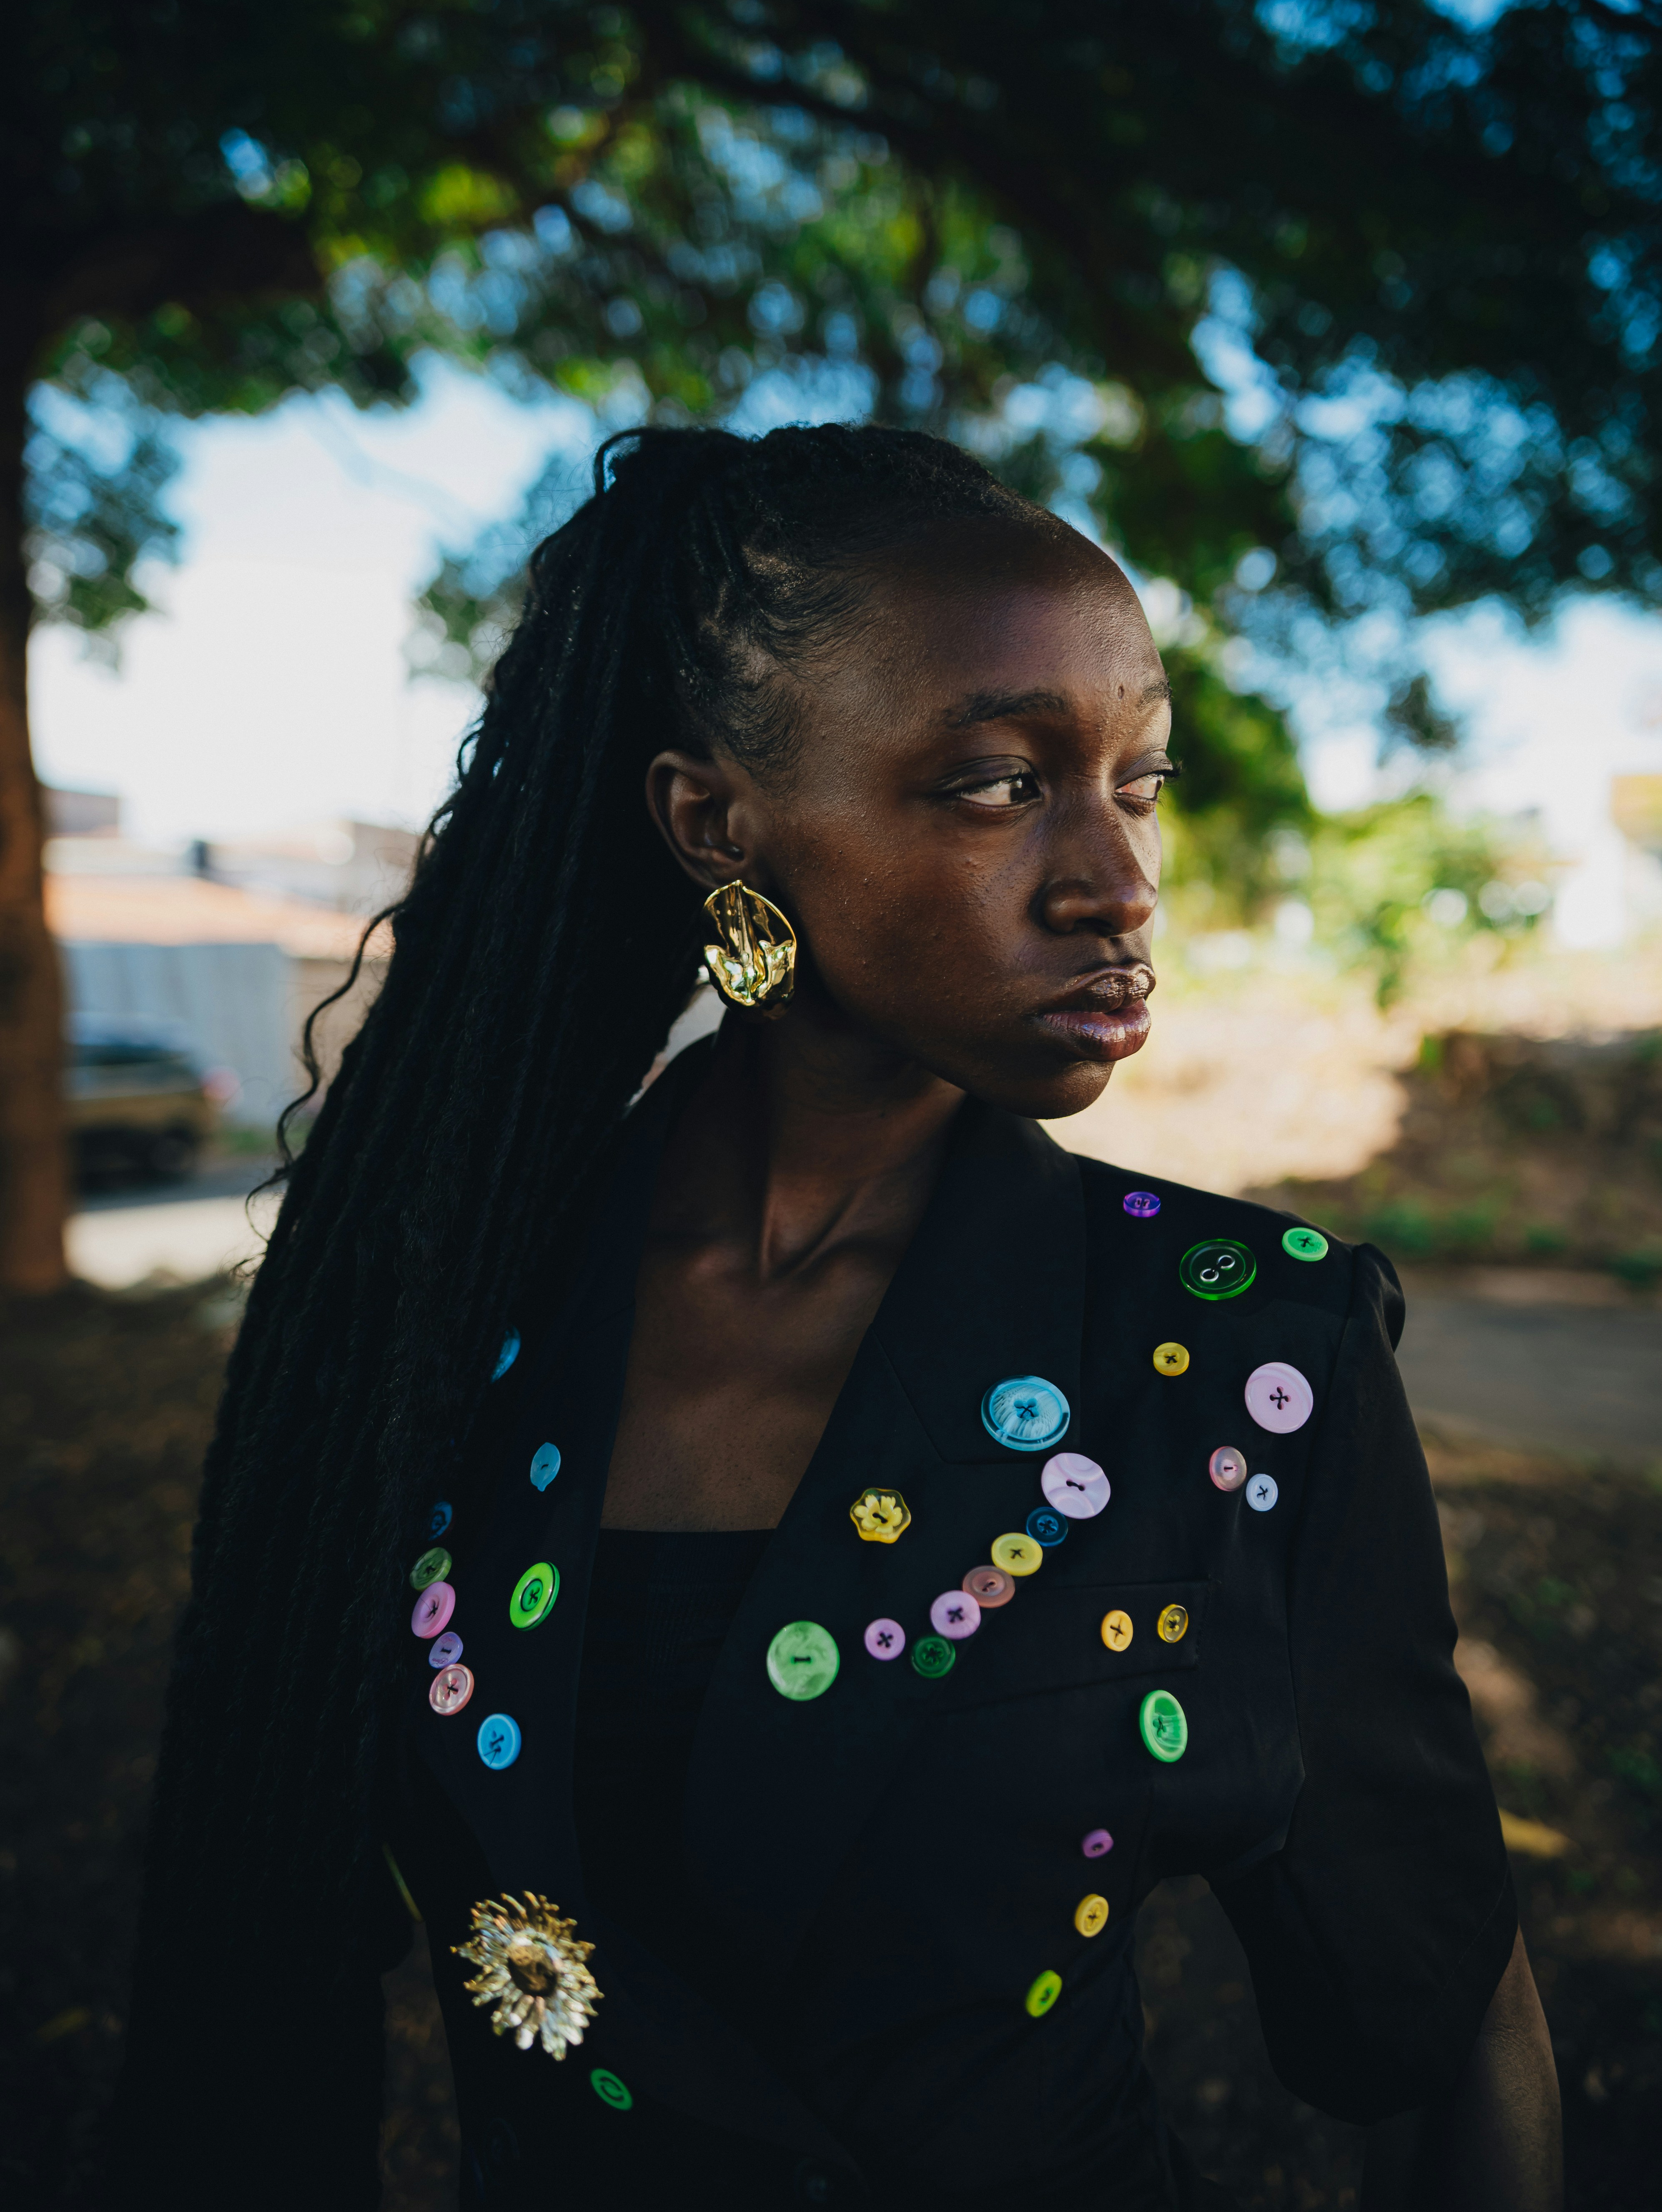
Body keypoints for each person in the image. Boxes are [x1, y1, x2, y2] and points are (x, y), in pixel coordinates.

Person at [113, 424, 1562, 2212]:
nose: (1111, 880)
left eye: (1136, 780)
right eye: (994, 782)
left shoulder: (1244, 1355)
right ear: (717, 824)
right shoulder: (437, 1327)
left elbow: (1437, 2011)